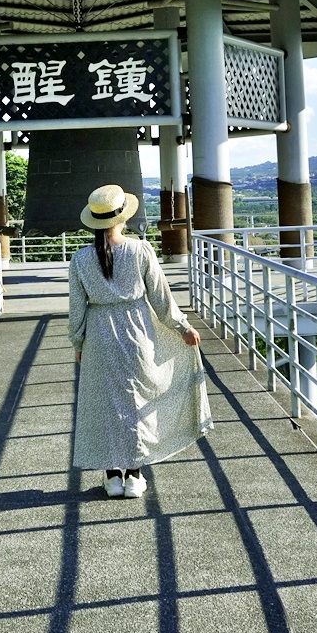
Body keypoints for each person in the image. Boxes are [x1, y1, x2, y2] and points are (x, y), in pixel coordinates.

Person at [68, 184, 213, 498]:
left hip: (99, 333)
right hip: (137, 330)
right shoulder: (140, 250)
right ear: (122, 218)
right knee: (138, 400)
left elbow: (76, 308)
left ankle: (111, 477)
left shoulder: (80, 259)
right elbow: (161, 300)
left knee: (105, 404)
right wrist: (183, 327)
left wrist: (79, 343)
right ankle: (134, 475)